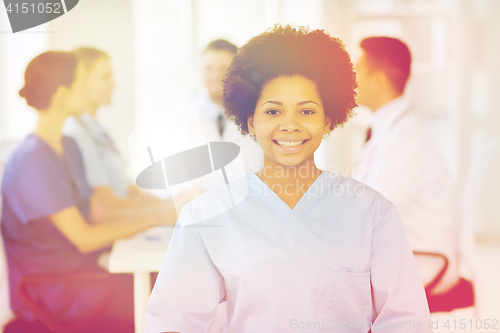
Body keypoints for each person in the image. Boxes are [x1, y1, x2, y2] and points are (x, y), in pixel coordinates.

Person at [145, 26, 431, 333]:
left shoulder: (373, 214)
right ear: (250, 122)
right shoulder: (205, 216)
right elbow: (173, 322)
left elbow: (406, 321)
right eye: (273, 111)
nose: (290, 125)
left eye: (306, 111)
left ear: (328, 119)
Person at [1, 51, 173, 332]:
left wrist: (163, 211)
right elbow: (83, 237)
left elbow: (98, 213)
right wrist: (157, 218)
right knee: (167, 303)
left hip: (87, 274)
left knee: (171, 286)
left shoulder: (68, 145)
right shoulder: (31, 160)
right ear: (61, 95)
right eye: (81, 84)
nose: (86, 92)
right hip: (58, 292)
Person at [354, 37, 461, 295]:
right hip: (400, 253)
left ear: (378, 80)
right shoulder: (390, 130)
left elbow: (369, 214)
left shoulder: (404, 140)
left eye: (356, 72)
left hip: (422, 260)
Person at [63, 47, 178, 225]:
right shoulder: (76, 134)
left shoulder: (97, 129)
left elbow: (128, 189)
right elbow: (106, 203)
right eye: (105, 77)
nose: (114, 84)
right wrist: (167, 211)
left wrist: (174, 204)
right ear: (81, 81)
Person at [197, 39, 263, 175]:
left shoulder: (256, 117)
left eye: (223, 69)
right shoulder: (184, 122)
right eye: (209, 69)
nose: (215, 76)